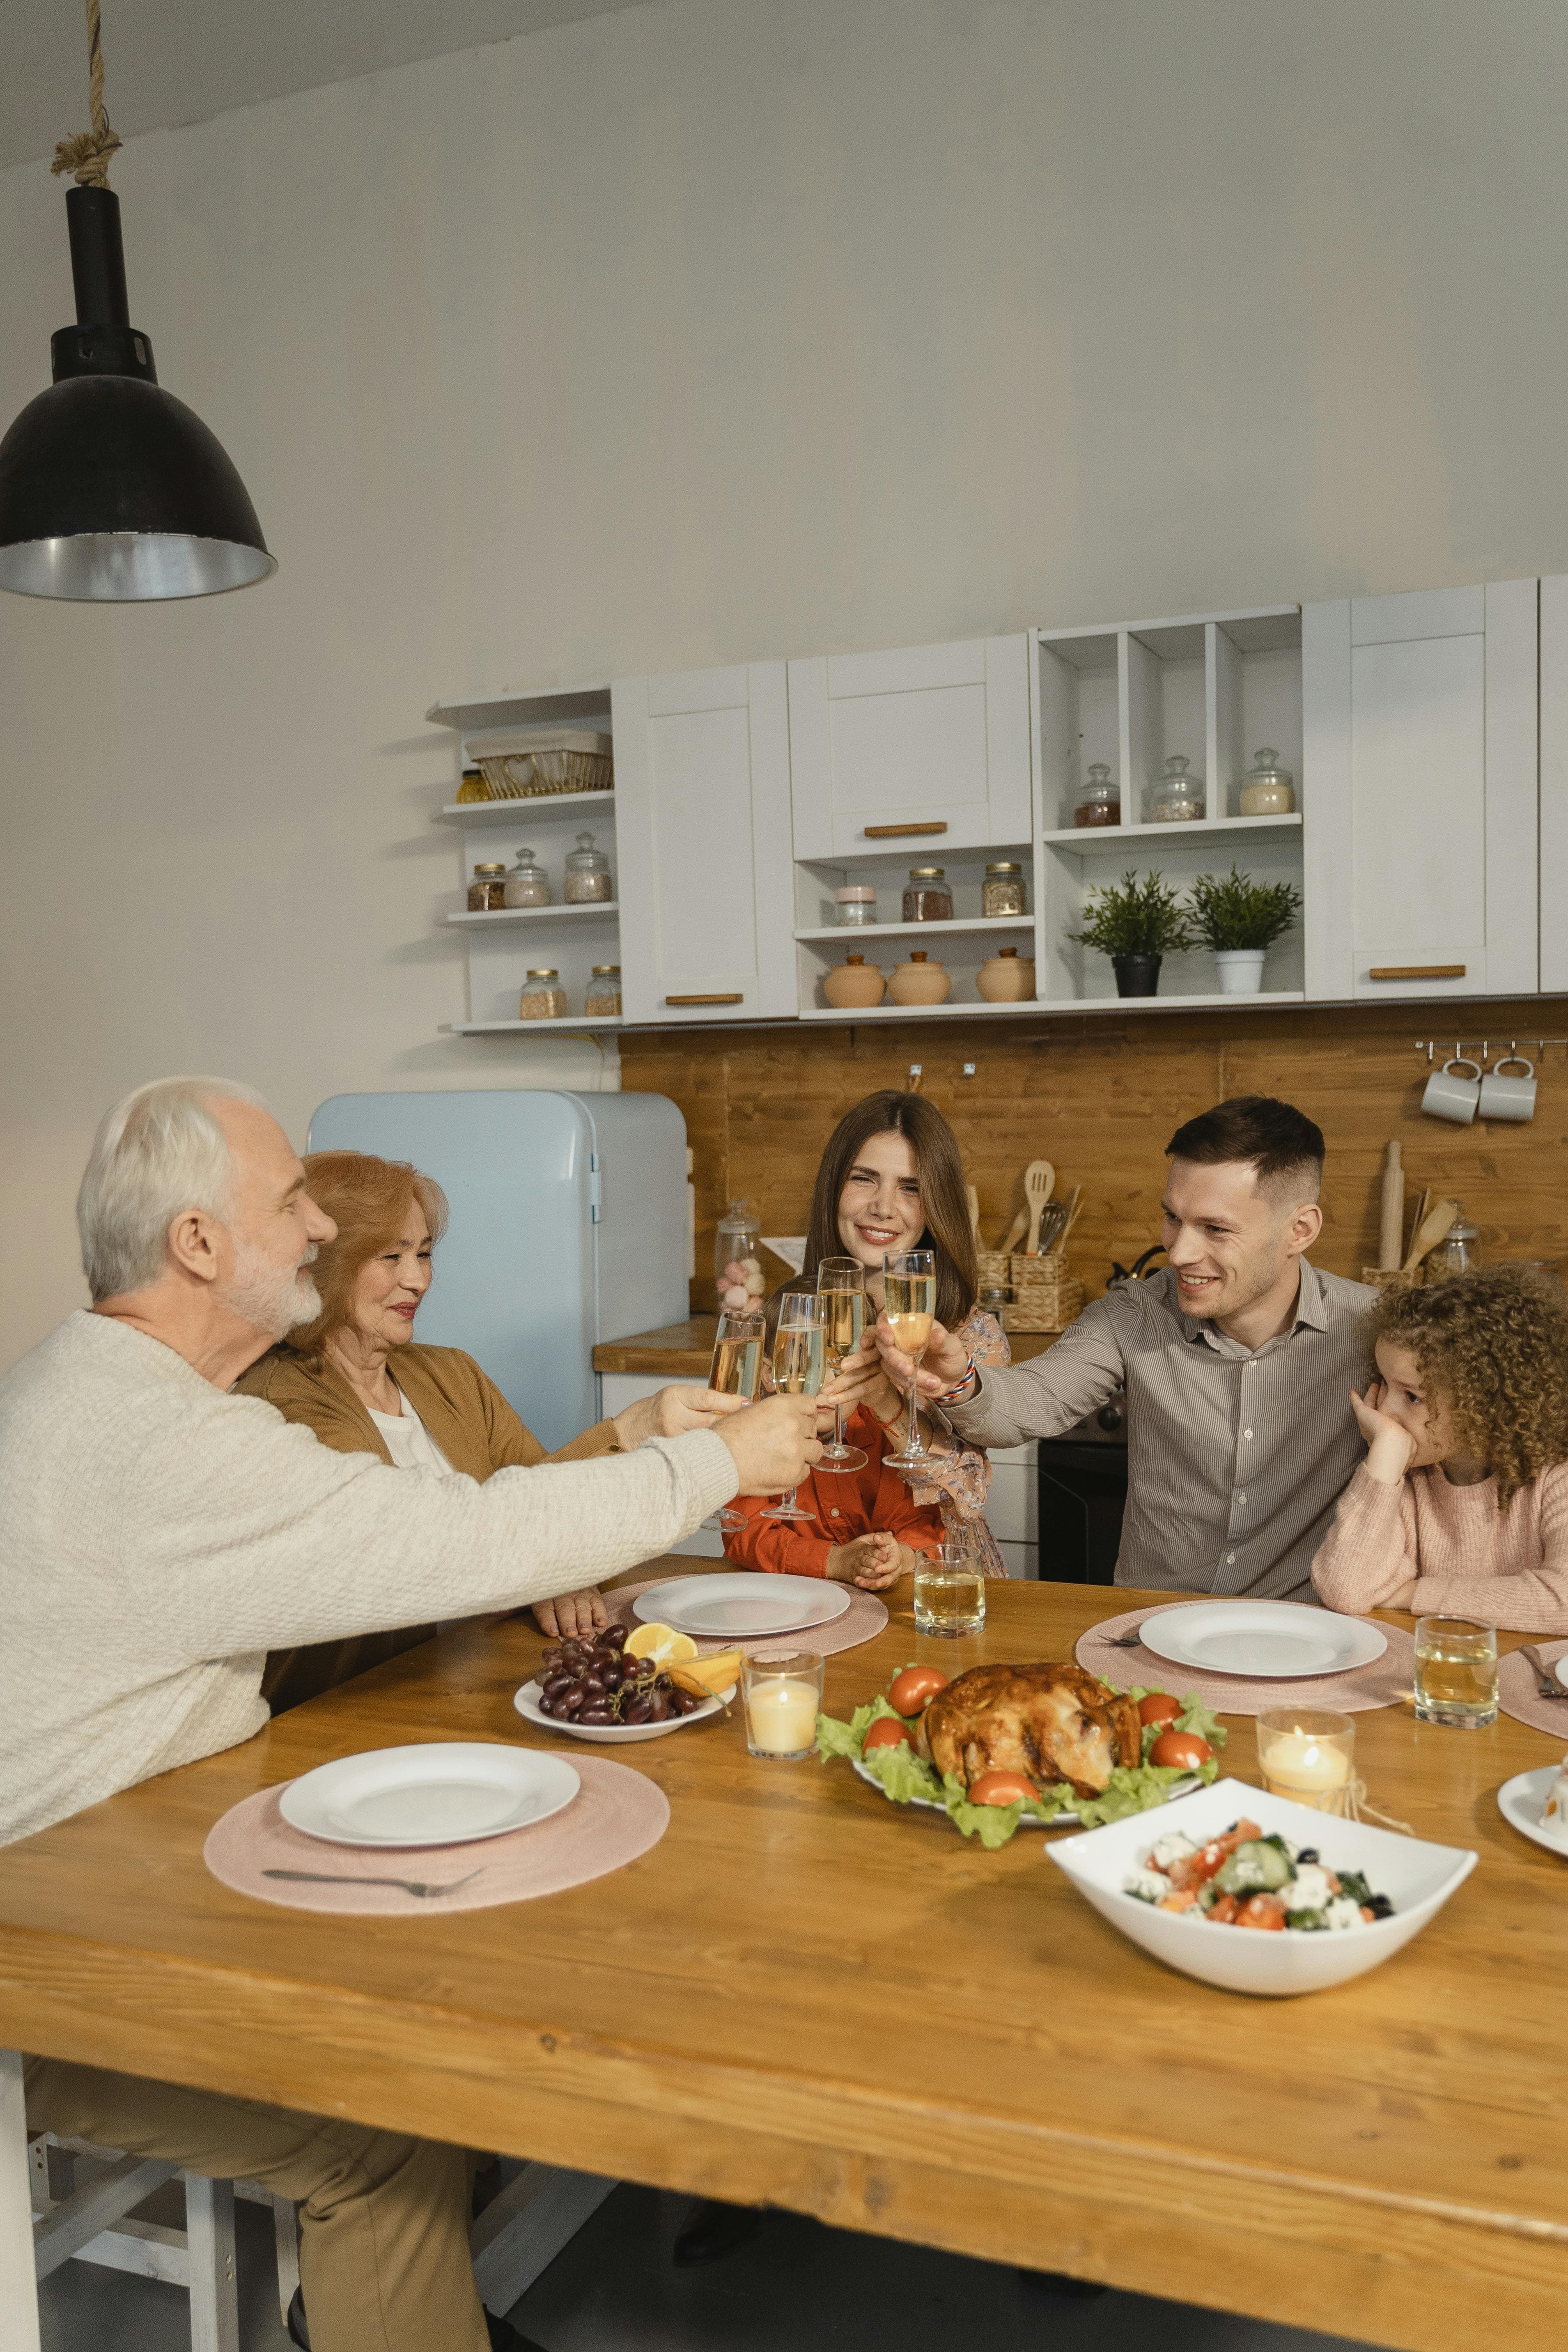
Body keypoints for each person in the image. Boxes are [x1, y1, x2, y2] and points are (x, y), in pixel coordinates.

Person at [2, 1075, 816, 2352]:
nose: (319, 1232)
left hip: (113, 1883)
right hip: (44, 1958)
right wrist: (715, 1460)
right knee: (381, 2122)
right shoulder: (171, 1444)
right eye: (289, 1205)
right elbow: (464, 1535)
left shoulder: (89, 1392)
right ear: (199, 1244)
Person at [238, 1149, 741, 1709]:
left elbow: (538, 1498)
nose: (419, 1279)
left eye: (425, 1253)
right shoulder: (277, 1400)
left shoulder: (450, 1372)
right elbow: (425, 1547)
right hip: (352, 1706)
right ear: (324, 1262)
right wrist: (545, 1562)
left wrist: (566, 1551)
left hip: (475, 1674)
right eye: (391, 1256)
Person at [879, 1096, 1374, 1603]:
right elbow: (1031, 1401)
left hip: (1305, 1641)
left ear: (1301, 1230)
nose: (1179, 1252)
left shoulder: (1374, 1332)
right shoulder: (1134, 1314)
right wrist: (960, 1378)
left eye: (1216, 1229)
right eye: (1173, 1218)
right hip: (1152, 1631)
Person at [754, 1088, 1007, 1581]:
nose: (883, 1207)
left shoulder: (970, 1334)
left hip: (936, 1583)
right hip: (806, 1585)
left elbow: (968, 1492)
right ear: (834, 1188)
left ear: (937, 1207)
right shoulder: (791, 1322)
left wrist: (886, 1400)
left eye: (910, 1188)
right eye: (864, 1179)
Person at [1313, 1268, 1568, 1628]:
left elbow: (1563, 1603)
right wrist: (1383, 1462)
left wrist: (1410, 1595)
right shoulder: (1406, 1473)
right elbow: (1347, 1590)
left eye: (1413, 1396)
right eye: (1383, 1384)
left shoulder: (1557, 1476)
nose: (1384, 1412)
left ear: (1485, 1404)